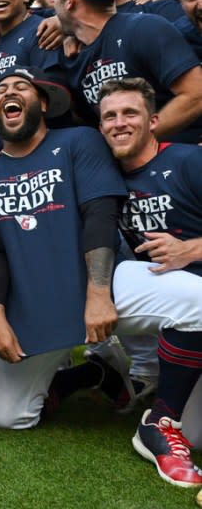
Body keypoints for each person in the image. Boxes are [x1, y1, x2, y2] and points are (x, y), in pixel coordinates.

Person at [0, 64, 137, 429]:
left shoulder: (77, 141)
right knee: (7, 417)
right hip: (34, 297)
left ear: (42, 102)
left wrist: (99, 290)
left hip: (103, 285)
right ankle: (94, 372)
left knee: (190, 303)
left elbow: (99, 214)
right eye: (1, 89)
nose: (9, 92)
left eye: (21, 88)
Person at [96, 78, 202, 487]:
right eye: (109, 116)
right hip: (158, 288)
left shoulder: (190, 161)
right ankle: (160, 421)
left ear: (154, 121)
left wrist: (190, 250)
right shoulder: (105, 176)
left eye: (130, 113)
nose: (119, 123)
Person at [52, 0, 202, 143]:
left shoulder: (144, 28)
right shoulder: (73, 54)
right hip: (128, 167)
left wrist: (141, 142)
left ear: (69, 1)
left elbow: (196, 94)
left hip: (176, 159)